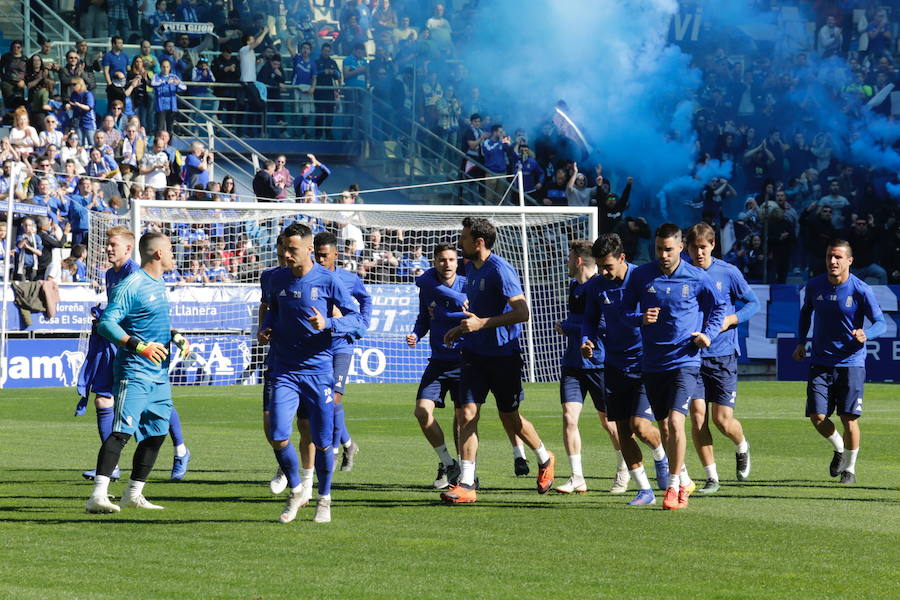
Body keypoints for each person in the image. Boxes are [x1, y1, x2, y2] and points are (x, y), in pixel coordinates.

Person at [440, 217, 556, 503]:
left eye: (464, 237)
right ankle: (466, 484)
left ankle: (544, 457)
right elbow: (476, 315)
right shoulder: (470, 267)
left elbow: (522, 312)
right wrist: (460, 329)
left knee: (511, 418)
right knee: (466, 414)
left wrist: (482, 324)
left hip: (504, 356)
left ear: (479, 242)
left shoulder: (500, 270)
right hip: (474, 355)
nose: (460, 242)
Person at [257, 222, 366, 524]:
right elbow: (271, 309)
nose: (286, 255)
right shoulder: (275, 279)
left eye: (292, 249)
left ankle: (325, 499)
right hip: (285, 370)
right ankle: (297, 489)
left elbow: (358, 319)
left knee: (322, 441)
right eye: (283, 249)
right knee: (278, 434)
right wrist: (264, 328)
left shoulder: (329, 281)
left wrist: (329, 324)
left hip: (318, 371)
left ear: (308, 250)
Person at [620, 223, 726, 510]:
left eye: (669, 249)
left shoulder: (697, 277)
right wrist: (641, 317)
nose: (664, 255)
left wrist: (708, 334)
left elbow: (720, 307)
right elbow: (624, 312)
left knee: (678, 422)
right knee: (665, 426)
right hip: (653, 363)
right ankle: (684, 480)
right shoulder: (641, 275)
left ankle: (675, 485)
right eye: (659, 249)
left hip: (686, 361)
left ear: (681, 247)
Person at [84, 231, 191, 513]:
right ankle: (97, 496)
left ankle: (133, 493)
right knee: (121, 432)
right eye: (170, 250)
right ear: (157, 253)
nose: (172, 255)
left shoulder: (159, 282)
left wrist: (176, 336)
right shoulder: (131, 284)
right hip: (134, 371)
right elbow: (107, 324)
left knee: (156, 433)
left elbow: (150, 320)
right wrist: (138, 346)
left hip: (158, 373)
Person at [581, 234, 670, 506]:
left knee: (641, 427)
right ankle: (645, 490)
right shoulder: (596, 286)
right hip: (614, 365)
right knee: (622, 430)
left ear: (622, 258)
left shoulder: (643, 279)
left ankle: (661, 457)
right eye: (599, 267)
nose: (603, 272)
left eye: (608, 266)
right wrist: (587, 339)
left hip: (644, 364)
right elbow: (589, 320)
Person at [792, 240, 885, 484]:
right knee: (817, 416)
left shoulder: (861, 289)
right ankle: (839, 448)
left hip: (851, 362)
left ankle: (850, 470)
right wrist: (801, 342)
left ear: (849, 261)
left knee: (849, 418)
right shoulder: (814, 285)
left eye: (838, 257)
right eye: (829, 257)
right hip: (820, 361)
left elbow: (881, 323)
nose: (832, 261)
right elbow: (805, 313)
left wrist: (867, 334)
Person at [685, 222, 759, 493]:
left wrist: (732, 318)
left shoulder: (728, 272)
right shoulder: (683, 272)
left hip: (723, 354)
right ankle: (711, 477)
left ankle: (742, 445)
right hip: (692, 356)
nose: (699, 253)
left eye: (703, 247)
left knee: (722, 420)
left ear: (713, 245)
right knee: (697, 416)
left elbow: (754, 303)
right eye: (694, 247)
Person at [553, 240, 622, 494]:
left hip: (599, 364)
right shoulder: (574, 286)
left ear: (578, 261)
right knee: (569, 418)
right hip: (573, 363)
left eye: (569, 258)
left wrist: (567, 328)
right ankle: (577, 477)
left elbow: (603, 325)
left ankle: (624, 469)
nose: (567, 262)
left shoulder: (600, 287)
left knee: (610, 423)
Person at [407, 243, 465, 489]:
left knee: (462, 419)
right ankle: (447, 462)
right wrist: (416, 334)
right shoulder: (428, 287)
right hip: (439, 362)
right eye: (442, 260)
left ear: (457, 262)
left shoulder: (467, 285)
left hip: (465, 362)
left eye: (451, 259)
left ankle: (465, 470)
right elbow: (424, 318)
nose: (447, 264)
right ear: (435, 261)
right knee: (422, 412)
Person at [314, 232, 372, 471]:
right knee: (322, 400)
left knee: (334, 398)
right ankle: (348, 444)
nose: (319, 259)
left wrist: (363, 323)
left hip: (342, 344)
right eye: (316, 254)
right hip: (319, 344)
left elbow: (365, 299)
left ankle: (333, 451)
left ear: (335, 254)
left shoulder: (348, 278)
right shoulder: (310, 277)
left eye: (324, 255)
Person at [152, 58, 187, 134]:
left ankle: (169, 145)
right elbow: (154, 84)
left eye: (167, 67)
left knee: (170, 129)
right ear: (160, 67)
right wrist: (165, 82)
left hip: (171, 107)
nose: (165, 69)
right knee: (159, 128)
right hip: (161, 107)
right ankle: (157, 144)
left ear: (170, 67)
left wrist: (178, 84)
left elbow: (184, 87)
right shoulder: (156, 76)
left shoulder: (173, 76)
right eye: (163, 67)